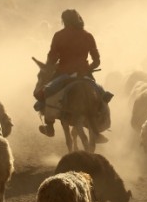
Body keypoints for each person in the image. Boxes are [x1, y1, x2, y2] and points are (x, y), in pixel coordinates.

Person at [38, 9, 113, 138]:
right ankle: (102, 124)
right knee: (102, 95)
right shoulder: (88, 36)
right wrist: (88, 69)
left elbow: (52, 57)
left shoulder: (59, 35)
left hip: (63, 74)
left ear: (64, 21)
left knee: (48, 94)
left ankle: (49, 127)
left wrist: (50, 66)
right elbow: (97, 60)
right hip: (84, 74)